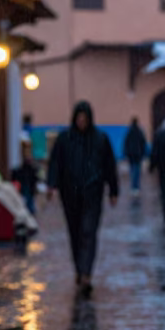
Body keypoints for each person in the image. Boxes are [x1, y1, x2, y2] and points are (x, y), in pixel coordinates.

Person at [46, 101, 118, 295]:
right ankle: (79, 269)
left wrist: (113, 190)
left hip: (92, 193)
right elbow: (55, 163)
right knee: (75, 232)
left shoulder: (100, 139)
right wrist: (51, 184)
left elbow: (109, 166)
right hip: (70, 193)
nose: (81, 122)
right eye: (79, 119)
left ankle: (86, 273)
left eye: (84, 119)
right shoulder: (65, 140)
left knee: (88, 231)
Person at [10, 141, 40, 215]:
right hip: (23, 184)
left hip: (26, 184)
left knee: (28, 203)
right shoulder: (25, 165)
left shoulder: (30, 166)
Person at [124, 117, 148, 193]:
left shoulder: (129, 132)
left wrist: (126, 153)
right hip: (138, 154)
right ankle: (136, 186)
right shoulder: (140, 131)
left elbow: (126, 143)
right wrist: (143, 153)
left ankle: (133, 186)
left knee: (132, 169)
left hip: (131, 154)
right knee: (137, 169)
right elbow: (143, 143)